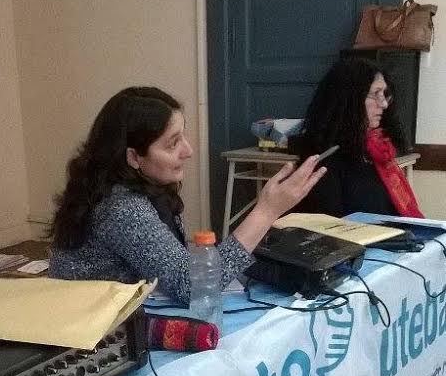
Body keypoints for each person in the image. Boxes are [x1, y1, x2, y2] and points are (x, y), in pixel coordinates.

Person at [48, 86, 326, 303]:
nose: (188, 151)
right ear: (133, 157)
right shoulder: (120, 207)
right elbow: (192, 287)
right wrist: (266, 212)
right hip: (97, 335)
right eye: (172, 144)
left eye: (183, 136)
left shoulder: (140, 187)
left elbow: (176, 270)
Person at [294, 57, 423, 218]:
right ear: (350, 98)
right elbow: (325, 226)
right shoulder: (324, 160)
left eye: (385, 94)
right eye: (376, 94)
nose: (384, 104)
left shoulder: (376, 151)